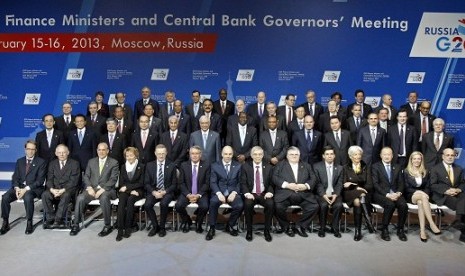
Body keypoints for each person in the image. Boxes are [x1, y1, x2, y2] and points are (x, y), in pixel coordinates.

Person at [70, 142, 119, 236]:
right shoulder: (91, 161)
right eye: (99, 150)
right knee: (80, 198)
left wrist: (102, 189)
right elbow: (86, 176)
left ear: (107, 151)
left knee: (104, 198)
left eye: (103, 150)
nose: (101, 152)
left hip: (107, 190)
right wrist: (89, 187)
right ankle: (76, 224)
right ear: (97, 151)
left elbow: (113, 179)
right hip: (92, 189)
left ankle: (107, 225)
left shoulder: (114, 162)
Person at [0, 140, 47, 235]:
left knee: (28, 197)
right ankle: (5, 222)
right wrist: (17, 188)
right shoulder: (20, 161)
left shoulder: (41, 162)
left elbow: (40, 181)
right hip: (19, 187)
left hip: (34, 189)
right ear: (25, 149)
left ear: (36, 150)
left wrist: (25, 189)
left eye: (33, 149)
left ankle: (29, 222)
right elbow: (15, 177)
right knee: (5, 197)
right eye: (28, 149)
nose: (30, 151)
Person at [273, 146, 319, 238]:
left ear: (299, 155)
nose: (294, 156)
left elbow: (313, 178)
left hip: (303, 194)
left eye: (296, 154)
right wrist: (287, 185)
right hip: (286, 194)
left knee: (314, 206)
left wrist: (305, 186)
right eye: (291, 154)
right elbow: (274, 178)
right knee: (277, 206)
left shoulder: (306, 165)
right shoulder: (280, 165)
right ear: (287, 156)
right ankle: (286, 226)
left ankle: (300, 226)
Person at [206, 146, 243, 241]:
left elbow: (240, 182)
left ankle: (230, 225)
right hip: (219, 192)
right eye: (226, 154)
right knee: (213, 203)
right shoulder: (215, 165)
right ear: (222, 154)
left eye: (230, 154)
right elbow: (213, 182)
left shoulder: (238, 165)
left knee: (239, 205)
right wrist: (218, 193)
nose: (228, 156)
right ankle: (212, 228)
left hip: (232, 192)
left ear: (232, 154)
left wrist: (234, 193)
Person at [403, 151, 441, 242]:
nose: (417, 160)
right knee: (422, 198)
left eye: (419, 159)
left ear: (421, 160)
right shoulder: (406, 171)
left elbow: (428, 186)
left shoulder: (425, 171)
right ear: (411, 160)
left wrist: (424, 193)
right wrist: (420, 192)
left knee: (421, 202)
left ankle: (422, 231)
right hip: (411, 195)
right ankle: (431, 223)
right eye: (414, 159)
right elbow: (406, 188)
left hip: (423, 196)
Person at [372, 147, 408, 242]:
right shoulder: (375, 166)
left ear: (392, 156)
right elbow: (375, 184)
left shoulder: (397, 166)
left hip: (396, 193)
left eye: (389, 154)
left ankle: (400, 229)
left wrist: (398, 193)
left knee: (403, 205)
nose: (387, 156)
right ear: (381, 155)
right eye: (385, 154)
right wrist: (387, 194)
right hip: (381, 194)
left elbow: (401, 183)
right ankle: (384, 229)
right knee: (390, 205)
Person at [430, 148, 465, 242]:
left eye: (452, 155)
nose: (450, 157)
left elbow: (462, 183)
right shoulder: (435, 168)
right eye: (448, 155)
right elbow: (433, 185)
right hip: (443, 195)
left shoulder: (459, 169)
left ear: (455, 156)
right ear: (443, 156)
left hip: (457, 193)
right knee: (461, 204)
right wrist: (446, 190)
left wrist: (458, 189)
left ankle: (459, 221)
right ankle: (461, 226)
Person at [42, 144, 80, 229]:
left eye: (63, 152)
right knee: (45, 194)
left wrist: (63, 190)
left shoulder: (74, 163)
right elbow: (49, 179)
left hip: (68, 189)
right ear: (56, 153)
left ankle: (58, 220)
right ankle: (50, 218)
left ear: (68, 153)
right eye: (59, 152)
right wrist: (52, 190)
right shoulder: (52, 163)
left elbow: (74, 180)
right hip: (54, 189)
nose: (61, 154)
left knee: (66, 195)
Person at [342, 146, 375, 241]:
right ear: (350, 156)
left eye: (359, 154)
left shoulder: (366, 167)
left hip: (363, 193)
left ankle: (358, 231)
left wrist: (353, 184)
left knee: (357, 201)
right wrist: (357, 187)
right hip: (348, 193)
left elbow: (369, 185)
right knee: (361, 194)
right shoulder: (345, 167)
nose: (357, 156)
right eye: (355, 154)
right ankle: (368, 221)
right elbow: (344, 185)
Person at [241, 146, 274, 242]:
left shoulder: (269, 167)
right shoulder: (245, 166)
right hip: (251, 193)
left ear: (263, 155)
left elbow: (272, 183)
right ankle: (249, 231)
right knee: (247, 204)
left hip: (264, 193)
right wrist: (247, 193)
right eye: (255, 154)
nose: (257, 156)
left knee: (271, 204)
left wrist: (270, 192)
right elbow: (243, 182)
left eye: (260, 154)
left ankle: (266, 231)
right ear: (251, 156)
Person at [175, 146, 211, 234]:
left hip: (201, 193)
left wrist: (198, 195)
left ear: (200, 155)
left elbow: (207, 183)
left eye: (197, 153)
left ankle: (198, 222)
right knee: (178, 206)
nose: (194, 156)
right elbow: (181, 183)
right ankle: (187, 221)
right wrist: (188, 194)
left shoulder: (206, 165)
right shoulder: (184, 165)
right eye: (192, 153)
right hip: (187, 193)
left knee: (205, 206)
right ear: (189, 155)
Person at [144, 144, 177, 238]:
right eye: (159, 154)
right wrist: (154, 192)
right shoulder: (149, 165)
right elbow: (146, 183)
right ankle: (155, 226)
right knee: (147, 205)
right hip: (154, 191)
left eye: (163, 153)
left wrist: (164, 192)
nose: (161, 156)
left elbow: (174, 184)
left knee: (163, 204)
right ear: (155, 153)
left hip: (167, 191)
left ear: (166, 153)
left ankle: (162, 227)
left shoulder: (171, 165)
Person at [116, 147, 145, 241]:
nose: (129, 158)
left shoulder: (142, 166)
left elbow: (141, 183)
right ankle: (120, 229)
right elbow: (121, 183)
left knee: (130, 200)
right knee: (121, 202)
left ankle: (128, 228)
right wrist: (128, 189)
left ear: (136, 155)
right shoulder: (123, 166)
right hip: (126, 190)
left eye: (131, 155)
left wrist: (129, 187)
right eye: (127, 156)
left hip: (138, 191)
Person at [314, 146, 343, 238]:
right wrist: (323, 195)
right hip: (322, 194)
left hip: (335, 193)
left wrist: (335, 195)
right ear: (323, 156)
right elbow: (317, 183)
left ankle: (335, 228)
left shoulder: (340, 168)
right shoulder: (317, 167)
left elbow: (339, 183)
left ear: (334, 156)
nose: (329, 156)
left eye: (331, 154)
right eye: (327, 154)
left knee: (338, 205)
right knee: (323, 205)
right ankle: (322, 228)